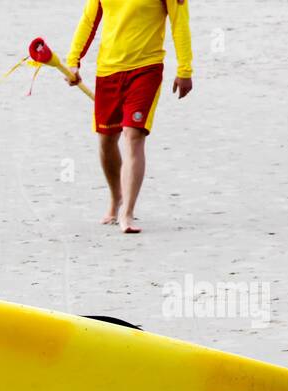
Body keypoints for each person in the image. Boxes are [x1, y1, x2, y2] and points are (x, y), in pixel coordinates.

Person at [66, 0, 193, 233]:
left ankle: (127, 213)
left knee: (133, 135)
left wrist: (184, 69)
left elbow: (179, 23)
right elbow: (89, 20)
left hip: (146, 69)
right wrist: (72, 62)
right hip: (108, 71)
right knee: (106, 140)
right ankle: (117, 198)